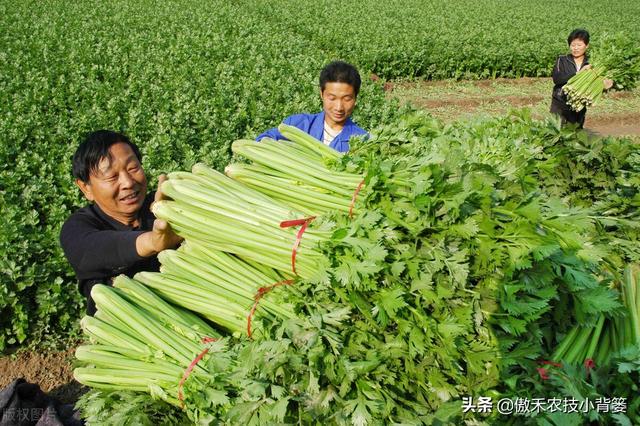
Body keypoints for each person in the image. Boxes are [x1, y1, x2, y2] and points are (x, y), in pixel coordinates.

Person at [60, 130, 182, 314]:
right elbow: (95, 249)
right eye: (111, 177)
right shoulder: (78, 228)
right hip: (129, 334)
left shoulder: (163, 206)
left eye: (133, 168)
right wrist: (153, 241)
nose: (127, 182)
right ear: (86, 188)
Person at [256, 60, 368, 152]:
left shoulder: (363, 141)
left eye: (347, 99)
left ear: (355, 98)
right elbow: (262, 141)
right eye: (332, 98)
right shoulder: (298, 125)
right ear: (322, 94)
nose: (339, 107)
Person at [550, 28, 613, 128]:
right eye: (573, 45)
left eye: (579, 45)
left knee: (575, 134)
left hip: (579, 105)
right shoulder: (562, 60)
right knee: (556, 132)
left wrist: (605, 86)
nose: (575, 48)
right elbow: (557, 79)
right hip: (560, 103)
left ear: (587, 45)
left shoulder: (593, 63)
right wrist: (578, 73)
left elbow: (596, 85)